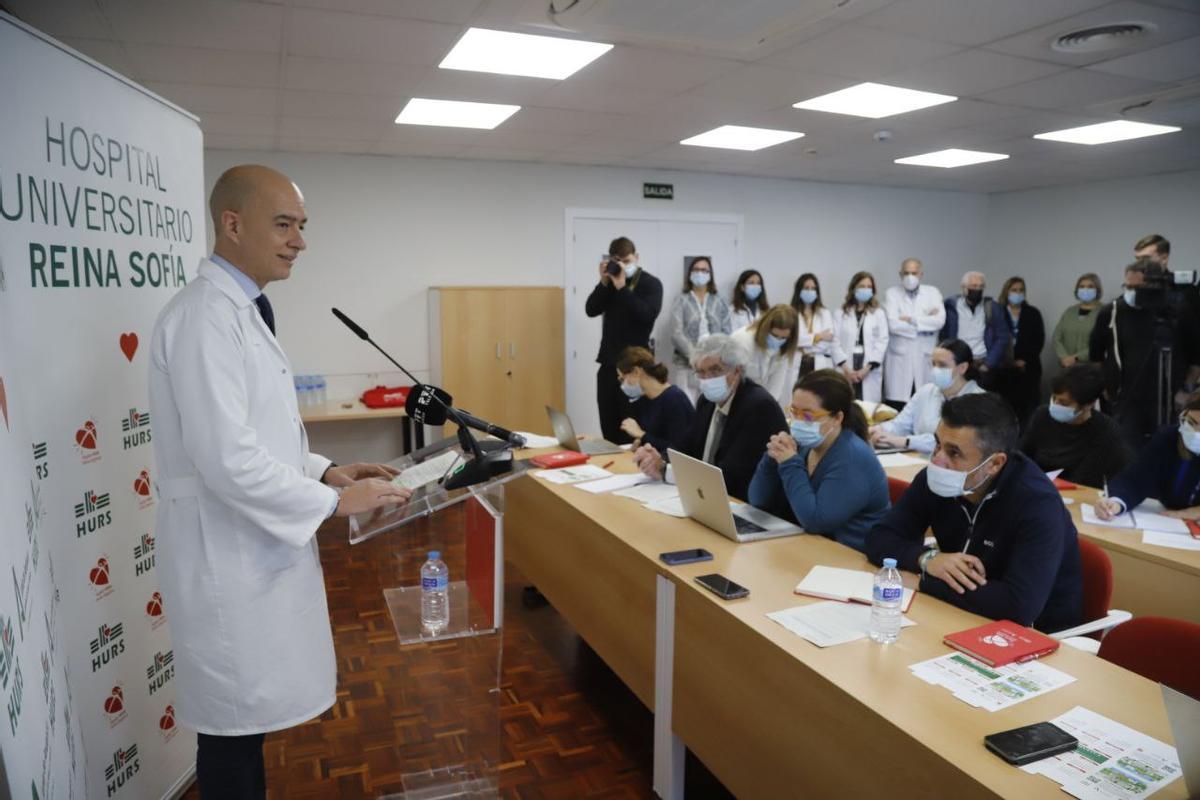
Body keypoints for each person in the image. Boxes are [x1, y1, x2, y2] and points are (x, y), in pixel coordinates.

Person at [148, 165, 412, 799]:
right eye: (285, 224)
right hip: (224, 560)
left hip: (251, 552)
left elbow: (262, 437)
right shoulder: (206, 316)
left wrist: (325, 469)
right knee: (231, 736)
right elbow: (225, 458)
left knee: (244, 728)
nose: (300, 241)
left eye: (302, 226)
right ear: (231, 225)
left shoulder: (244, 310)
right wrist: (332, 500)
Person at [866, 393, 1083, 633]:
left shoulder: (1038, 504)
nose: (938, 459)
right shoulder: (936, 479)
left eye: (954, 453)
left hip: (1038, 635)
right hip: (960, 611)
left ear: (994, 464)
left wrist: (924, 581)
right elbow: (879, 538)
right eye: (937, 443)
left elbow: (1019, 606)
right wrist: (927, 560)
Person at [748, 370, 890, 552]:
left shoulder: (852, 458)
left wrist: (790, 463)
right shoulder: (805, 445)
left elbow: (815, 522)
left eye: (807, 416)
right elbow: (757, 500)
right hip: (807, 546)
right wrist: (770, 459)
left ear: (837, 418)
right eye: (794, 412)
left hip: (850, 557)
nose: (797, 422)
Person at [633, 334, 786, 500]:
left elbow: (731, 475)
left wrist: (665, 471)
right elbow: (686, 446)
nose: (707, 380)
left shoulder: (758, 406)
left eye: (715, 370)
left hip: (743, 503)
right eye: (701, 372)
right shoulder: (707, 401)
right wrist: (657, 458)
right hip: (706, 496)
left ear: (737, 370)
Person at [1089, 259, 1200, 448]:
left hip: (1170, 400)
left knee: (1166, 452)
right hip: (1125, 400)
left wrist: (1187, 390)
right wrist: (1105, 385)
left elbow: (1196, 356)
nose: (1131, 292)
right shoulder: (1113, 311)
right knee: (1127, 453)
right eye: (1127, 286)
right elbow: (1096, 354)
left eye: (1137, 287)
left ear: (1154, 286)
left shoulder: (1177, 311)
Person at [586, 237, 664, 443]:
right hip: (609, 364)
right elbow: (591, 309)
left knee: (634, 426)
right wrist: (604, 283)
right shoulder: (609, 283)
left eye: (626, 261)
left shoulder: (651, 284)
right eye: (616, 261)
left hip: (637, 368)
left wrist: (622, 288)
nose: (621, 266)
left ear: (636, 258)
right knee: (609, 425)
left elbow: (646, 315)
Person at [1020, 364, 1132, 489]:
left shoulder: (1106, 432)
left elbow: (1102, 478)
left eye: (1064, 402)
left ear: (1088, 405)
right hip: (1036, 488)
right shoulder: (1042, 416)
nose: (1055, 405)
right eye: (1054, 398)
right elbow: (1021, 457)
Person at [1094, 392, 1200, 522]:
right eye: (1191, 422)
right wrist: (1116, 503)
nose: (1195, 432)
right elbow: (1135, 479)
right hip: (1168, 521)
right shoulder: (1170, 438)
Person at [870, 339, 984, 453]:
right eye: (933, 364)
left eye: (942, 365)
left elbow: (949, 441)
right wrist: (880, 429)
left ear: (962, 367)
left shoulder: (978, 400)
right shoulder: (925, 391)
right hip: (917, 459)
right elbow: (901, 424)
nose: (935, 370)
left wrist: (906, 441)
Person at [669, 256, 732, 402]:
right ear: (690, 274)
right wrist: (694, 357)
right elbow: (676, 333)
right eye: (696, 270)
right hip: (686, 365)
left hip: (715, 365)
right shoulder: (681, 300)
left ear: (710, 274)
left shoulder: (719, 300)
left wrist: (715, 356)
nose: (700, 273)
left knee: (710, 404)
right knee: (687, 406)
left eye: (704, 270)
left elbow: (727, 332)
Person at [884, 258, 945, 407]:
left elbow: (939, 321)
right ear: (900, 274)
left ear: (921, 274)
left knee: (925, 403)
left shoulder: (933, 292)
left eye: (914, 273)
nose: (910, 277)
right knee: (897, 406)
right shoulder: (892, 293)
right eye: (906, 273)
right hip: (899, 359)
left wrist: (910, 319)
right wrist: (925, 320)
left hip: (924, 357)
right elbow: (893, 325)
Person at [616, 346, 695, 455]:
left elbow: (679, 450)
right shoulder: (644, 399)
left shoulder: (674, 399)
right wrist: (640, 442)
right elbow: (654, 438)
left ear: (636, 372)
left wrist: (642, 435)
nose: (623, 385)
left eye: (622, 378)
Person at [940, 271, 1011, 388]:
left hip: (982, 364)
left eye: (981, 286)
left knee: (981, 401)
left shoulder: (992, 307)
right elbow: (944, 334)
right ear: (963, 287)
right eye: (973, 286)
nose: (977, 289)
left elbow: (1002, 337)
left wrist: (988, 364)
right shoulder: (950, 306)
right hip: (958, 363)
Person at [831, 271, 889, 403]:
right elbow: (834, 341)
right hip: (846, 366)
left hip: (868, 368)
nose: (866, 290)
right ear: (853, 288)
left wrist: (866, 369)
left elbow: (882, 342)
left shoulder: (878, 313)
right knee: (844, 404)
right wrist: (847, 369)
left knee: (867, 409)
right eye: (862, 286)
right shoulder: (840, 313)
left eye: (869, 287)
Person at [995, 276, 1045, 426]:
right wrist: (1009, 361)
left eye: (1021, 290)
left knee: (1028, 412)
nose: (1018, 293)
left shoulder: (1033, 313)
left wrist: (1024, 360)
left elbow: (1038, 340)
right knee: (1005, 411)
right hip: (1003, 370)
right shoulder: (997, 312)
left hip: (1028, 368)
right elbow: (992, 339)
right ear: (1006, 292)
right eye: (1014, 290)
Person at [731, 304, 800, 407]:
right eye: (775, 335)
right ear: (765, 328)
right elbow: (731, 381)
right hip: (735, 400)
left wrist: (767, 407)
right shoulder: (742, 340)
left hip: (758, 401)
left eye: (783, 337)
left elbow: (776, 384)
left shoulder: (784, 347)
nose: (778, 341)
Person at [1052, 273, 1103, 370]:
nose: (1085, 290)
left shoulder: (1104, 312)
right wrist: (1064, 357)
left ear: (1098, 290)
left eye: (1090, 286)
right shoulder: (1069, 312)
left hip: (1091, 369)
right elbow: (1056, 338)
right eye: (1082, 286)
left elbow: (1102, 342)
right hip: (1067, 368)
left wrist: (1076, 357)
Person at [790, 273, 835, 378]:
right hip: (797, 363)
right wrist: (818, 337)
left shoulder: (825, 313)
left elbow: (826, 343)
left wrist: (803, 344)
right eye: (806, 288)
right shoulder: (791, 313)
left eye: (813, 288)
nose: (810, 291)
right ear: (799, 290)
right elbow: (792, 340)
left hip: (819, 363)